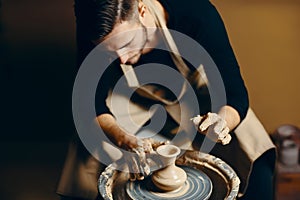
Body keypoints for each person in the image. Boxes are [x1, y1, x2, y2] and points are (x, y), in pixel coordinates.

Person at [57, 0, 276, 199]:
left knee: (256, 159)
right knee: (87, 155)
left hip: (200, 102)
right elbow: (90, 103)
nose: (122, 59)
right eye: (109, 52)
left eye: (127, 43)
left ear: (142, 11)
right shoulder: (94, 26)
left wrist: (221, 123)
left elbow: (234, 94)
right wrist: (124, 140)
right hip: (136, 100)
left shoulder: (196, 13)